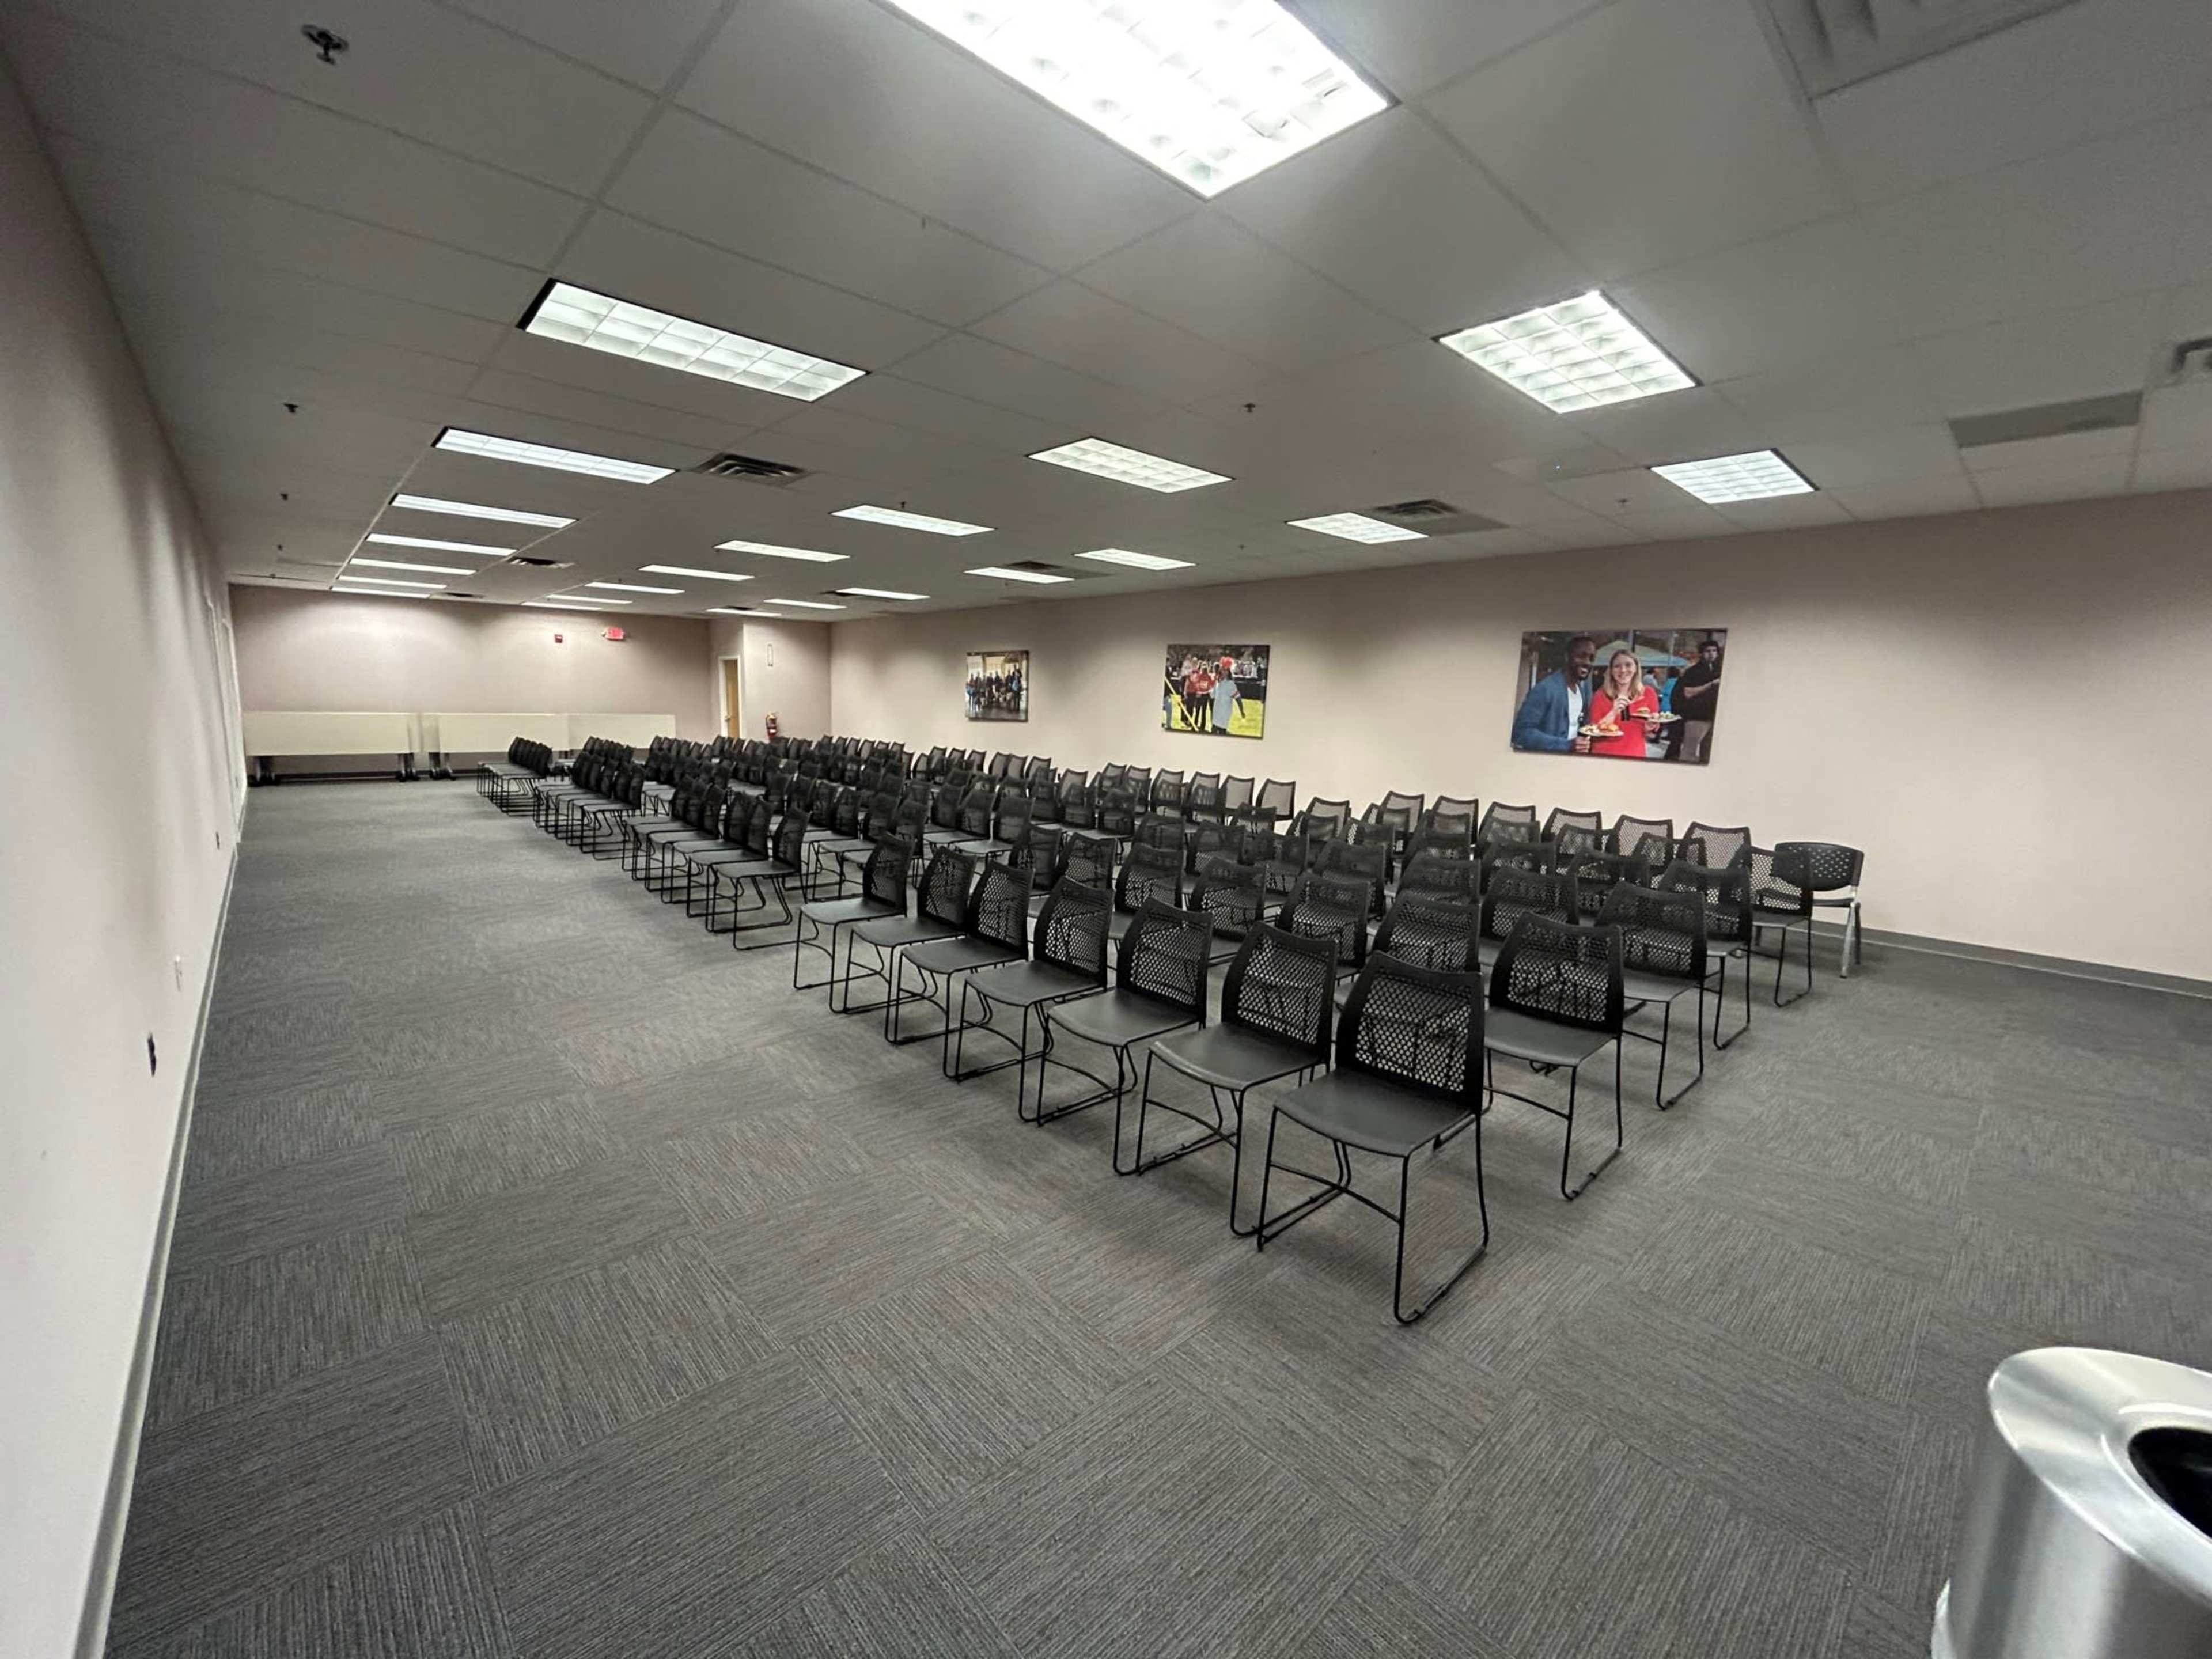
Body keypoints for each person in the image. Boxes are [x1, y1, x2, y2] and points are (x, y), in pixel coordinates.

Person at [1510, 634, 1597, 753]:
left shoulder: (1581, 691)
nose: (1587, 662)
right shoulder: (1545, 689)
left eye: (1591, 659)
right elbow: (1521, 733)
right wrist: (1567, 745)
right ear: (1567, 657)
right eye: (1581, 656)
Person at [1587, 649, 1658, 759]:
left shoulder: (1649, 694)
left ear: (1636, 668)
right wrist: (1613, 712)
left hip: (1636, 757)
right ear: (1611, 670)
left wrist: (1650, 727)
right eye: (1617, 666)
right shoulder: (1600, 695)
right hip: (1604, 757)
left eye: (1628, 665)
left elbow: (1652, 732)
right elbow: (1593, 732)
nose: (1623, 670)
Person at [1673, 636, 1722, 763]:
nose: (1711, 654)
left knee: (1708, 756)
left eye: (1714, 651)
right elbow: (1687, 693)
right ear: (1702, 654)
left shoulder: (1720, 670)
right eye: (1708, 651)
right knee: (1689, 753)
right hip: (1697, 717)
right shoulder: (1693, 672)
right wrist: (1711, 684)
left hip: (1714, 716)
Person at [1211, 656, 1240, 735]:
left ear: (1229, 672)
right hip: (1216, 711)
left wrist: (1242, 710)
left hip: (1225, 712)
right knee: (1213, 730)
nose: (1224, 672)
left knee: (1221, 731)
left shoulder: (1231, 684)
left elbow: (1238, 698)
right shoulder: (1218, 682)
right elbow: (1212, 695)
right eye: (1223, 670)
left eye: (1226, 670)